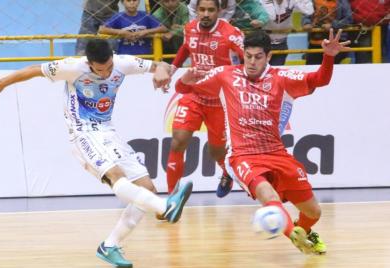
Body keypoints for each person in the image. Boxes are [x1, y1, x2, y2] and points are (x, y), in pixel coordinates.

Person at [0, 39, 193, 268]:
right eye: (99, 69)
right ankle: (165, 207)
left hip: (109, 132)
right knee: (117, 176)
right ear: (89, 63)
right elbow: (34, 70)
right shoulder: (73, 67)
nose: (105, 73)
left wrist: (162, 72)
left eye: (108, 67)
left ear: (112, 59)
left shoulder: (122, 63)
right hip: (83, 133)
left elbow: (159, 66)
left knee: (147, 188)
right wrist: (1, 82)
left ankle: (110, 245)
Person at [176, 29, 351, 254]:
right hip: (243, 154)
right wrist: (184, 80)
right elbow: (184, 89)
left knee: (314, 212)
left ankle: (302, 231)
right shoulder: (225, 75)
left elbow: (320, 80)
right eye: (247, 56)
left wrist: (328, 57)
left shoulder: (281, 78)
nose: (251, 62)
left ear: (268, 56)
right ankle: (293, 236)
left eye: (258, 57)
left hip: (277, 152)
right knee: (270, 196)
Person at [166, 0, 244, 198]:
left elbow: (247, 58)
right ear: (196, 10)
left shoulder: (231, 33)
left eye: (210, 10)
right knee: (178, 142)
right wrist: (172, 69)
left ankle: (226, 173)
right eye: (202, 9)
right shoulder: (190, 28)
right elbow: (185, 47)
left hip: (219, 100)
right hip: (194, 94)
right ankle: (172, 196)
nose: (206, 14)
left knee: (216, 151)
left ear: (219, 11)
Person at [98, 0, 167, 55]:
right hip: (125, 57)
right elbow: (101, 29)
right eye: (128, 0)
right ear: (122, 2)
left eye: (134, 0)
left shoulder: (145, 16)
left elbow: (163, 28)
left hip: (146, 56)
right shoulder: (119, 16)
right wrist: (122, 32)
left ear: (139, 1)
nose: (132, 3)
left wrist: (146, 31)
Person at [259, 0, 314, 65]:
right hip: (263, 44)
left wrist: (306, 22)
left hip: (281, 44)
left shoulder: (294, 2)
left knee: (276, 70)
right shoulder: (262, 2)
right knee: (261, 70)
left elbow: (307, 11)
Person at [302, 0, 352, 64]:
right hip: (315, 42)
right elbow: (306, 15)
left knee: (331, 69)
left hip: (334, 43)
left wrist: (333, 25)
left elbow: (349, 20)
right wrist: (306, 23)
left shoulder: (342, 2)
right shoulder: (312, 1)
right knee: (313, 69)